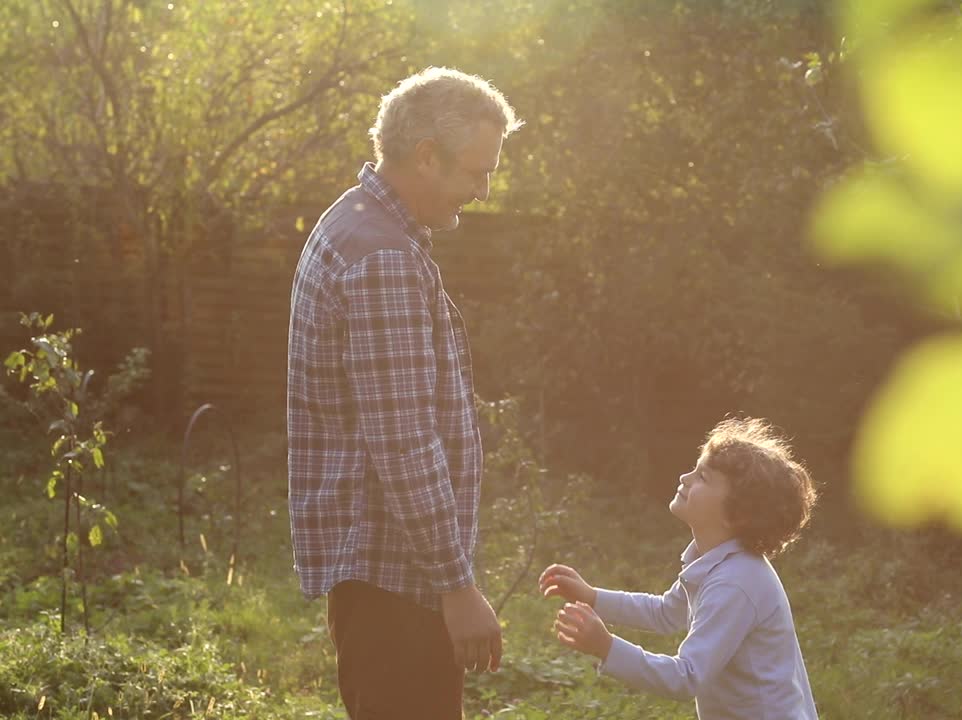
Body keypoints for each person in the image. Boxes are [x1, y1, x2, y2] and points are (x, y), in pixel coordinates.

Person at [287, 67, 522, 719]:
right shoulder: (382, 259)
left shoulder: (354, 221)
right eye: (476, 173)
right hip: (398, 583)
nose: (482, 190)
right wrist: (455, 586)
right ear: (426, 156)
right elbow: (403, 442)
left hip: (379, 574)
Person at [539, 417, 821, 720]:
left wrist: (606, 646)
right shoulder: (715, 561)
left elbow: (685, 677)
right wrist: (593, 597)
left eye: (703, 477)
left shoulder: (736, 583)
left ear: (738, 514)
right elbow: (665, 612)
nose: (685, 477)